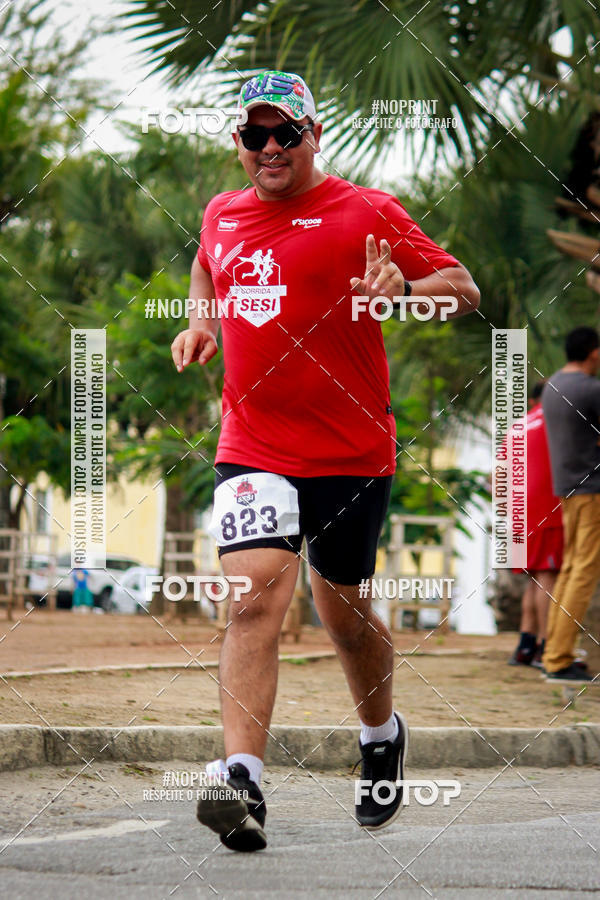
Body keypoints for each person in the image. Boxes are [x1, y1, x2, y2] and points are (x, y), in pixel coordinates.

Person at [171, 69, 480, 852]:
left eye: (285, 133)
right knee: (251, 603)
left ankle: (381, 734)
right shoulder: (221, 213)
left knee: (343, 615)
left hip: (351, 452)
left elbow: (463, 288)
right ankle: (241, 781)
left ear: (314, 135)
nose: (269, 148)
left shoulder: (365, 210)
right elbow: (208, 265)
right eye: (253, 135)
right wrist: (200, 320)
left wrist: (402, 295)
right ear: (237, 143)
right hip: (251, 445)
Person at [541, 327, 600, 682]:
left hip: (567, 488)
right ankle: (560, 659)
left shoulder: (553, 385)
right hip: (592, 489)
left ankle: (553, 653)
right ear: (593, 352)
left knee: (571, 569)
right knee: (584, 571)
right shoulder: (592, 389)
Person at [508, 382, 563, 668]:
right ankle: (547, 647)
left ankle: (525, 646)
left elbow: (498, 478)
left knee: (534, 577)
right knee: (548, 576)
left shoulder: (518, 427)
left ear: (531, 400)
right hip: (548, 508)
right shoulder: (557, 423)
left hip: (519, 513)